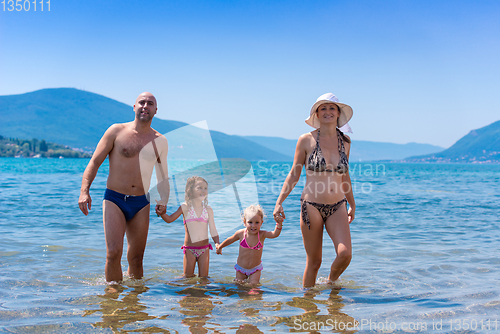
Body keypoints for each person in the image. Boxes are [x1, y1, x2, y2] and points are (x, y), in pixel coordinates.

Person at [78, 92, 170, 283]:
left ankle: (133, 305)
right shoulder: (116, 131)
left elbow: (162, 176)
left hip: (141, 202)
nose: (145, 106)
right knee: (113, 253)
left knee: (136, 259)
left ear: (155, 110)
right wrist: (84, 191)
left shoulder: (160, 141)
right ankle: (112, 298)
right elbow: (94, 162)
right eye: (142, 102)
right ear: (134, 107)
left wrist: (164, 200)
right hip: (115, 199)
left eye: (150, 103)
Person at [273, 93, 355, 288]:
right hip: (311, 206)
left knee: (345, 254)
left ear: (338, 113)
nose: (327, 112)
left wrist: (352, 203)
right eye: (323, 108)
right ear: (317, 114)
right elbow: (294, 174)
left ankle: (331, 283)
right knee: (314, 262)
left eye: (331, 108)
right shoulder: (306, 140)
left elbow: (345, 176)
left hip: (338, 206)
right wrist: (279, 202)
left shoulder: (346, 142)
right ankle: (308, 308)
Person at [155, 176, 220, 278]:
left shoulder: (208, 209)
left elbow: (213, 230)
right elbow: (169, 219)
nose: (203, 190)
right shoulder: (185, 207)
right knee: (187, 277)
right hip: (190, 249)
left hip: (204, 249)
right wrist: (162, 213)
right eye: (199, 188)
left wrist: (217, 243)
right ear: (191, 190)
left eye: (205, 188)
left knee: (204, 279)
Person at [216, 204, 282, 284]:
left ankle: (254, 295)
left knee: (254, 285)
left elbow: (274, 234)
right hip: (241, 269)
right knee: (239, 286)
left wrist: (279, 224)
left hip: (255, 269)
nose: (253, 226)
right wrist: (220, 247)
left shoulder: (262, 235)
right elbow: (230, 240)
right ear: (244, 222)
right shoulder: (241, 233)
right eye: (250, 222)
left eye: (257, 222)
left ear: (261, 223)